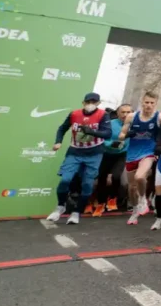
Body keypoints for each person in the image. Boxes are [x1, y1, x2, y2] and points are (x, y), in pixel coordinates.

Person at [45, 93, 113, 225]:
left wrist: (91, 131)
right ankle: (60, 206)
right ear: (83, 102)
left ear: (98, 103)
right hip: (75, 151)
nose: (90, 104)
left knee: (87, 184)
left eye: (94, 102)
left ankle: (77, 211)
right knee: (65, 180)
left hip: (94, 153)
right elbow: (62, 128)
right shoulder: (74, 114)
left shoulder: (103, 115)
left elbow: (107, 134)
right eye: (88, 101)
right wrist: (58, 142)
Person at [118, 92, 161, 224]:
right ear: (142, 102)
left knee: (140, 177)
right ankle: (135, 211)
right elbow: (121, 135)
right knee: (131, 187)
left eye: (152, 103)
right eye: (147, 102)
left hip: (148, 152)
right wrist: (128, 134)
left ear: (156, 104)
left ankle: (143, 199)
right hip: (132, 153)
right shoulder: (132, 116)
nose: (149, 105)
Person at [96, 104, 131, 217]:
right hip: (106, 154)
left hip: (121, 155)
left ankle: (112, 198)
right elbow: (100, 138)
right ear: (117, 113)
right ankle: (100, 202)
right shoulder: (110, 124)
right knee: (102, 178)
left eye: (128, 112)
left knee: (116, 176)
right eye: (123, 112)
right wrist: (112, 144)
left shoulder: (134, 125)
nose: (125, 115)